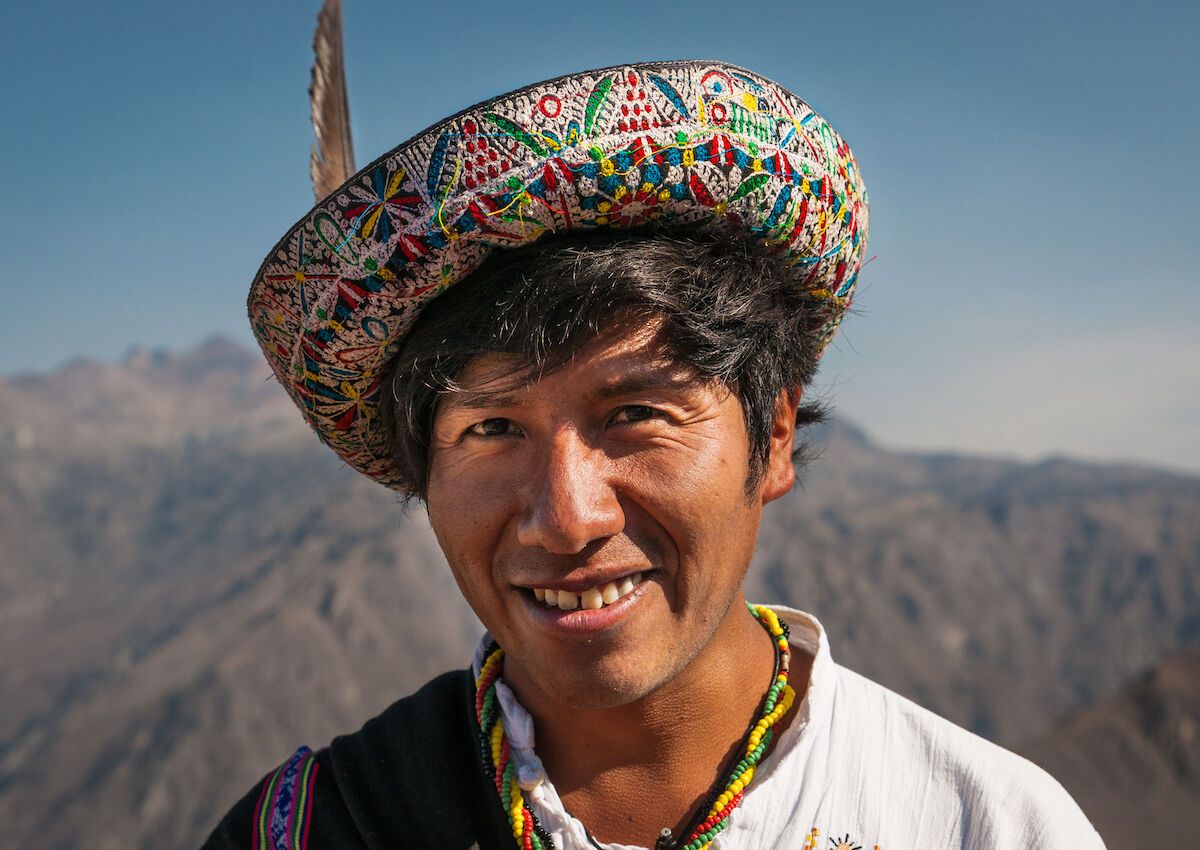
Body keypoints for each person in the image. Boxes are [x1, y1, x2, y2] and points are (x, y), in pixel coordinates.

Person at [204, 58, 1104, 849]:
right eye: (490, 428)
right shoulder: (315, 829)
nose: (567, 518)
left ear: (775, 437)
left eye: (635, 413)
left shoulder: (985, 827)